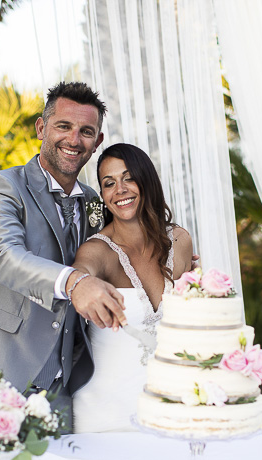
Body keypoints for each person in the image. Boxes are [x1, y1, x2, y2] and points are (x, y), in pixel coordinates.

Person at [0, 82, 127, 431]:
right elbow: (6, 257)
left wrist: (168, 254)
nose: (74, 140)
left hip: (62, 391)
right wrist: (74, 282)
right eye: (63, 126)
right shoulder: (2, 187)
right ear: (42, 128)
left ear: (97, 142)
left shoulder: (97, 202)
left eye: (86, 131)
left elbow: (122, 250)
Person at [71, 143, 193, 433]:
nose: (120, 189)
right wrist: (82, 283)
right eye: (109, 183)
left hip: (173, 410)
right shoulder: (96, 251)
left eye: (128, 178)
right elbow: (81, 273)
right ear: (103, 195)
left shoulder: (181, 241)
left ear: (146, 179)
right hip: (105, 415)